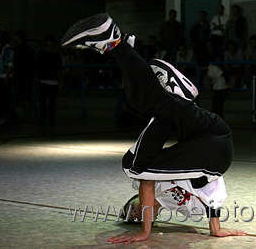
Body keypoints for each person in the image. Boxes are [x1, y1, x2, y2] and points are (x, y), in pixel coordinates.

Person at [61, 13, 245, 244]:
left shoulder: (151, 184)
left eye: (132, 210)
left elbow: (146, 184)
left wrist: (144, 232)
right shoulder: (187, 211)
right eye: (136, 217)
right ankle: (124, 50)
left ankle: (126, 52)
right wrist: (216, 228)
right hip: (215, 149)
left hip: (200, 133)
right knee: (138, 161)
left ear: (134, 199)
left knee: (140, 109)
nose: (136, 214)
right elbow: (214, 197)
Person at [36, 35, 62, 126]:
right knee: (43, 101)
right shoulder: (42, 54)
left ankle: (51, 118)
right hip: (44, 79)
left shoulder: (56, 54)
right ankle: (42, 118)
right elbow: (38, 67)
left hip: (53, 80)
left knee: (52, 102)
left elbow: (59, 69)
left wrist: (59, 80)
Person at [14, 29, 36, 125]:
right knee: (28, 97)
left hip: (21, 75)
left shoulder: (18, 49)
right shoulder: (30, 49)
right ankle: (28, 117)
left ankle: (28, 117)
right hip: (28, 75)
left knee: (24, 97)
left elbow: (15, 63)